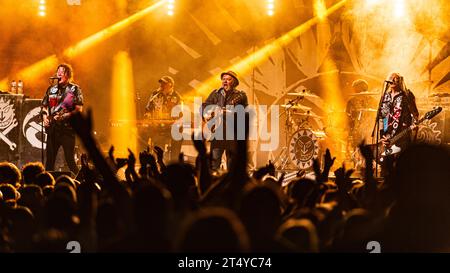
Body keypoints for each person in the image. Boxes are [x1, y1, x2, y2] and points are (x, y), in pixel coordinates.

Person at [202, 71, 249, 172]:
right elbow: (204, 106)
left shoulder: (240, 96)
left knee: (232, 166)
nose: (225, 81)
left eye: (228, 79)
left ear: (234, 82)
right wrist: (208, 113)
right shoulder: (216, 93)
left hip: (232, 134)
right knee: (214, 166)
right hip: (217, 134)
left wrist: (231, 113)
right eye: (223, 79)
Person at [41, 63, 83, 175]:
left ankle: (83, 181)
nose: (58, 73)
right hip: (53, 129)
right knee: (49, 161)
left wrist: (66, 115)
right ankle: (46, 184)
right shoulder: (51, 89)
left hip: (67, 130)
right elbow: (44, 106)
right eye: (58, 71)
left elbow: (79, 108)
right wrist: (45, 118)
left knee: (70, 160)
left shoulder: (74, 89)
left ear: (68, 75)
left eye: (62, 72)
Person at [378, 72, 419, 175]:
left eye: (396, 78)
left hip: (402, 135)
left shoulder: (407, 95)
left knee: (401, 165)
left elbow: (415, 113)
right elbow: (383, 117)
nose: (393, 79)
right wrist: (383, 135)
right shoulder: (385, 96)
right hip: (388, 137)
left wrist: (415, 125)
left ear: (400, 81)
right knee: (386, 167)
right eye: (391, 78)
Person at [143, 76, 182, 162]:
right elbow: (148, 108)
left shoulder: (176, 96)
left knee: (178, 136)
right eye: (161, 83)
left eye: (164, 83)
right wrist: (148, 116)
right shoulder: (155, 94)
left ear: (170, 85)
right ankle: (157, 162)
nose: (162, 85)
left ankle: (174, 162)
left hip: (172, 126)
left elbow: (181, 113)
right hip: (158, 126)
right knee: (154, 139)